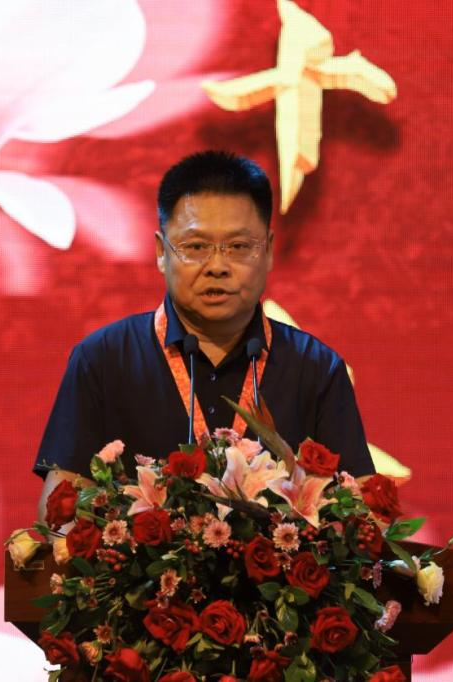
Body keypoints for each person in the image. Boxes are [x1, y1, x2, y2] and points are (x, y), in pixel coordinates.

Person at [35, 150, 374, 519]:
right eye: (196, 247)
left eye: (239, 247)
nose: (217, 266)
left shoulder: (316, 369)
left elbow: (362, 517)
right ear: (161, 252)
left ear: (268, 251)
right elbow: (61, 514)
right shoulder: (103, 360)